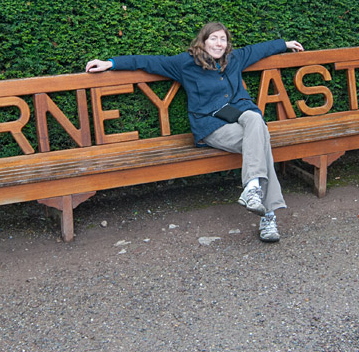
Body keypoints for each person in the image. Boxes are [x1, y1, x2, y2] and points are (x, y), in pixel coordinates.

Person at [85, 22, 304, 242]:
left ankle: (253, 189)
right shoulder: (185, 63)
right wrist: (110, 63)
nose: (219, 43)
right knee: (261, 140)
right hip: (211, 125)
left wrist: (283, 44)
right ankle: (268, 216)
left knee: (255, 119)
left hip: (238, 114)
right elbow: (148, 62)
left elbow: (258, 49)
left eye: (223, 39)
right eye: (214, 38)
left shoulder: (234, 59)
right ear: (204, 40)